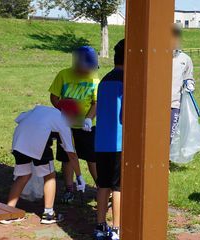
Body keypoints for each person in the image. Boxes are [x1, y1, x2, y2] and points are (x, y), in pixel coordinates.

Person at [1, 100, 86, 225]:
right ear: (68, 114)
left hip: (19, 142)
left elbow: (20, 118)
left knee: (23, 176)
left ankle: (8, 213)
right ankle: (48, 214)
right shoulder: (62, 121)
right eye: (74, 116)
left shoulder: (41, 109)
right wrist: (79, 176)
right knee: (50, 176)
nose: (74, 119)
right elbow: (71, 154)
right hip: (38, 145)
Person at [49, 46, 99, 203]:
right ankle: (69, 189)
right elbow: (54, 97)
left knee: (93, 158)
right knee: (67, 158)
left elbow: (96, 102)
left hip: (87, 127)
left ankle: (101, 188)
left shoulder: (94, 79)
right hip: (66, 125)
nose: (89, 71)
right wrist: (64, 110)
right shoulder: (63, 75)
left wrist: (89, 118)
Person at [93, 39, 124, 240]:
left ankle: (100, 225)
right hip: (118, 142)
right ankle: (117, 228)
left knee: (103, 185)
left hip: (101, 141)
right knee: (118, 187)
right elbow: (124, 116)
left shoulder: (104, 80)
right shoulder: (126, 81)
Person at [170, 24, 195, 142]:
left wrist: (190, 85)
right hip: (155, 104)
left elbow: (188, 77)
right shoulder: (155, 56)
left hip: (175, 104)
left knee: (170, 135)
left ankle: (166, 159)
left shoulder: (185, 59)